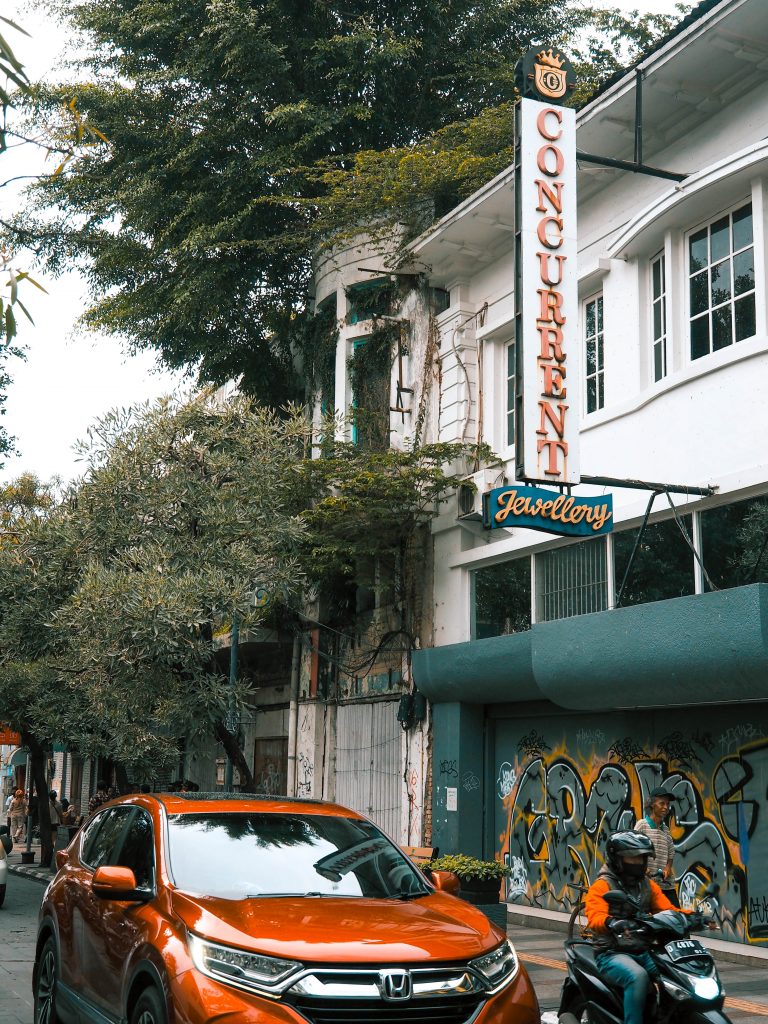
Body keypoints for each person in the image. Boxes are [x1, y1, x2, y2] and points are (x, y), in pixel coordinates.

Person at [585, 831, 689, 1024]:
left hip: (642, 950)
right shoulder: (602, 885)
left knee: (676, 978)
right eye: (632, 857)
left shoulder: (647, 885)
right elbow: (594, 916)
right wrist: (612, 922)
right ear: (617, 858)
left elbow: (668, 910)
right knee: (638, 977)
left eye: (642, 857)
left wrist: (693, 917)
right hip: (611, 953)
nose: (639, 862)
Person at [635, 787, 679, 906]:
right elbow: (633, 851)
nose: (666, 807)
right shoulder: (642, 825)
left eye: (668, 804)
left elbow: (671, 854)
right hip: (646, 884)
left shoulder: (665, 830)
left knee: (677, 916)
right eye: (662, 803)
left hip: (666, 884)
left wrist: (668, 868)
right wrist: (643, 868)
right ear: (652, 805)